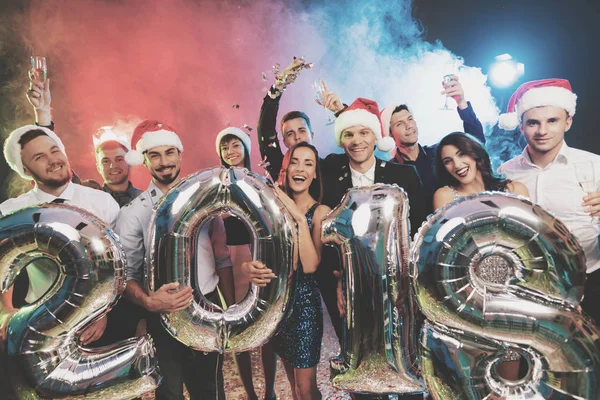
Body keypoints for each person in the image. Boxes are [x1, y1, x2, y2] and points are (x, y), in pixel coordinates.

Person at [116, 120, 234, 400]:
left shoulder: (207, 202)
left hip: (207, 304)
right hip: (160, 313)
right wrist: (147, 303)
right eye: (154, 155)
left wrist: (230, 315)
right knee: (168, 392)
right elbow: (127, 275)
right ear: (144, 160)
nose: (164, 161)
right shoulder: (133, 214)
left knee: (210, 391)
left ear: (180, 155)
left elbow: (223, 259)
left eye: (170, 152)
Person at [0, 125, 120, 350]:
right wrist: (5, 310)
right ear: (26, 170)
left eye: (55, 151)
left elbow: (118, 265)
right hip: (37, 316)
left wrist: (103, 312)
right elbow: (4, 262)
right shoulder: (13, 210)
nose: (53, 160)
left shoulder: (102, 203)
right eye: (40, 157)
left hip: (92, 320)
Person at [497, 78, 600, 327]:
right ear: (521, 126)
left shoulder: (594, 165)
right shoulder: (505, 172)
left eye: (552, 121)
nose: (542, 131)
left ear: (568, 121)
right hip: (531, 286)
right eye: (533, 122)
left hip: (591, 280)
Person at [257, 60, 344, 343]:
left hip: (336, 268)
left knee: (348, 338)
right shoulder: (281, 172)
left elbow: (360, 143)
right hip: (298, 276)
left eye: (301, 132)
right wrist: (276, 90)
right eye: (289, 136)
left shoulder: (331, 166)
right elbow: (265, 134)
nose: (295, 139)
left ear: (313, 134)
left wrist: (341, 112)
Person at [243, 142, 330, 400]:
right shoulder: (272, 209)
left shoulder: (321, 212)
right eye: (295, 161)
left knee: (305, 388)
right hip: (278, 307)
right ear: (286, 168)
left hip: (305, 308)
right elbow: (258, 255)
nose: (300, 168)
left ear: (315, 174)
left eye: (308, 163)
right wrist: (248, 267)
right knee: (294, 387)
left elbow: (311, 265)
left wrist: (300, 219)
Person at [215, 127, 277, 400]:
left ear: (246, 148)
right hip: (230, 256)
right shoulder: (216, 183)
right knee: (238, 326)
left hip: (260, 253)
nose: (230, 151)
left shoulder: (260, 180)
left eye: (235, 145)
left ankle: (270, 391)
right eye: (225, 147)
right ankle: (250, 393)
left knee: (267, 325)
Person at [378, 75, 485, 197]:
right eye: (399, 124)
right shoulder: (391, 171)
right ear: (389, 134)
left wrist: (461, 102)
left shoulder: (439, 153)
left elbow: (477, 144)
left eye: (410, 119)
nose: (409, 126)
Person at [433, 132, 529, 209]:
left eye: (462, 154)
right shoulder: (445, 196)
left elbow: (530, 230)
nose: (457, 165)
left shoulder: (514, 189)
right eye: (448, 161)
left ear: (476, 153)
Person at [93, 126, 143, 207]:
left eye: (119, 159)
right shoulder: (91, 202)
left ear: (129, 163)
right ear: (98, 167)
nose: (113, 166)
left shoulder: (147, 200)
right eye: (106, 161)